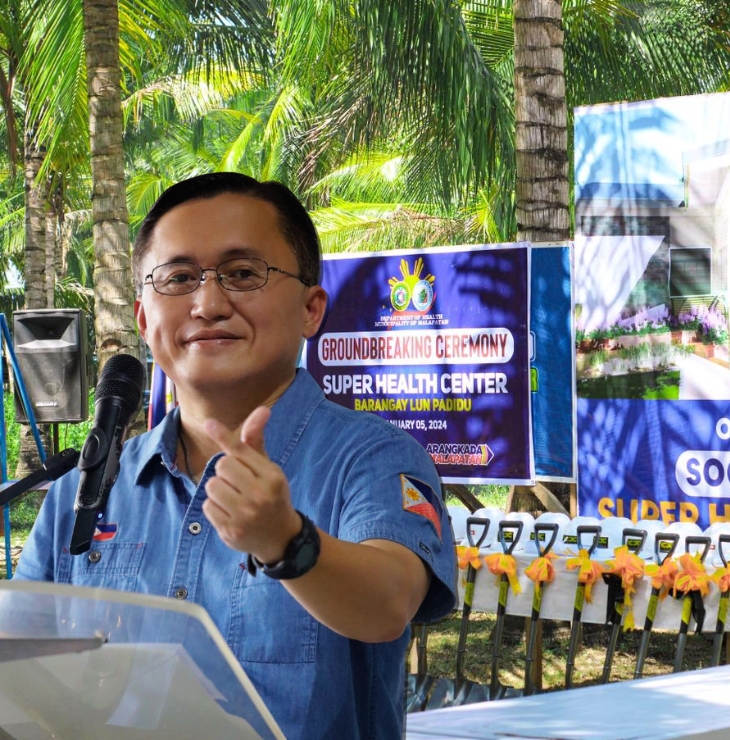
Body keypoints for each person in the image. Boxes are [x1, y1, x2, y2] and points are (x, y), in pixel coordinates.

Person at [14, 172, 458, 740]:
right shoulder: (87, 490)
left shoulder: (372, 458)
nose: (207, 303)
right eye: (178, 278)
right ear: (145, 319)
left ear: (311, 309)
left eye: (243, 274)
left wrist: (288, 544)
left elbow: (389, 603)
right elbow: (21, 664)